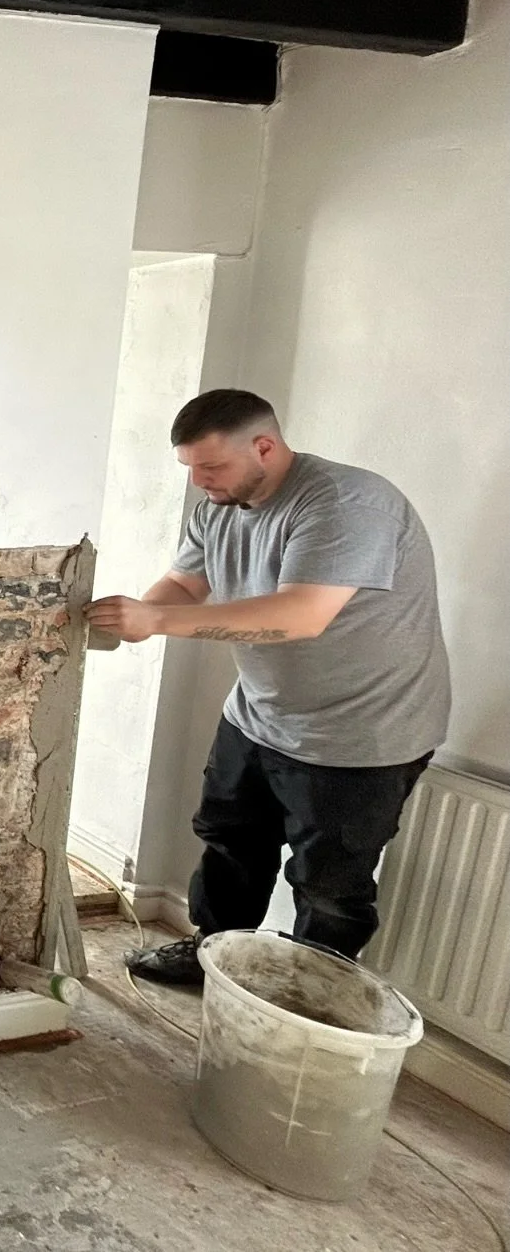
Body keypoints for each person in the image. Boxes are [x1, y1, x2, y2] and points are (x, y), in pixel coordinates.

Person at [89, 389, 449, 986]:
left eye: (212, 466)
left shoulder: (347, 503)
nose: (200, 482)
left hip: (359, 735)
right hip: (257, 715)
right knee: (230, 843)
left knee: (329, 885)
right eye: (191, 469)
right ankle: (214, 955)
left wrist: (155, 621)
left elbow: (300, 615)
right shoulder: (219, 504)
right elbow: (185, 585)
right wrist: (129, 621)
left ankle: (307, 1000)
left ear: (265, 446)